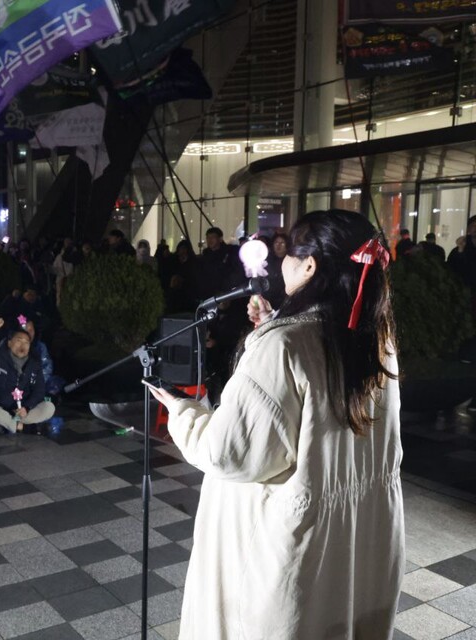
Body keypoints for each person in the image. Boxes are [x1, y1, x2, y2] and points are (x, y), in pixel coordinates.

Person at [149, 209, 403, 639]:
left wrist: (182, 412)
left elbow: (229, 452)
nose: (279, 260)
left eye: (287, 250)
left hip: (288, 542)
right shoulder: (375, 335)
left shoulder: (286, 344)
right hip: (359, 535)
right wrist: (271, 330)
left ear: (310, 265)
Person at [0, 318, 55, 435]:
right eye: (19, 341)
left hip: (25, 411)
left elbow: (39, 390)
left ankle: (10, 426)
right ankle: (27, 428)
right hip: (3, 409)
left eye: (27, 342)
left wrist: (26, 407)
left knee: (49, 406)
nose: (23, 345)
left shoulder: (34, 364)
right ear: (9, 343)